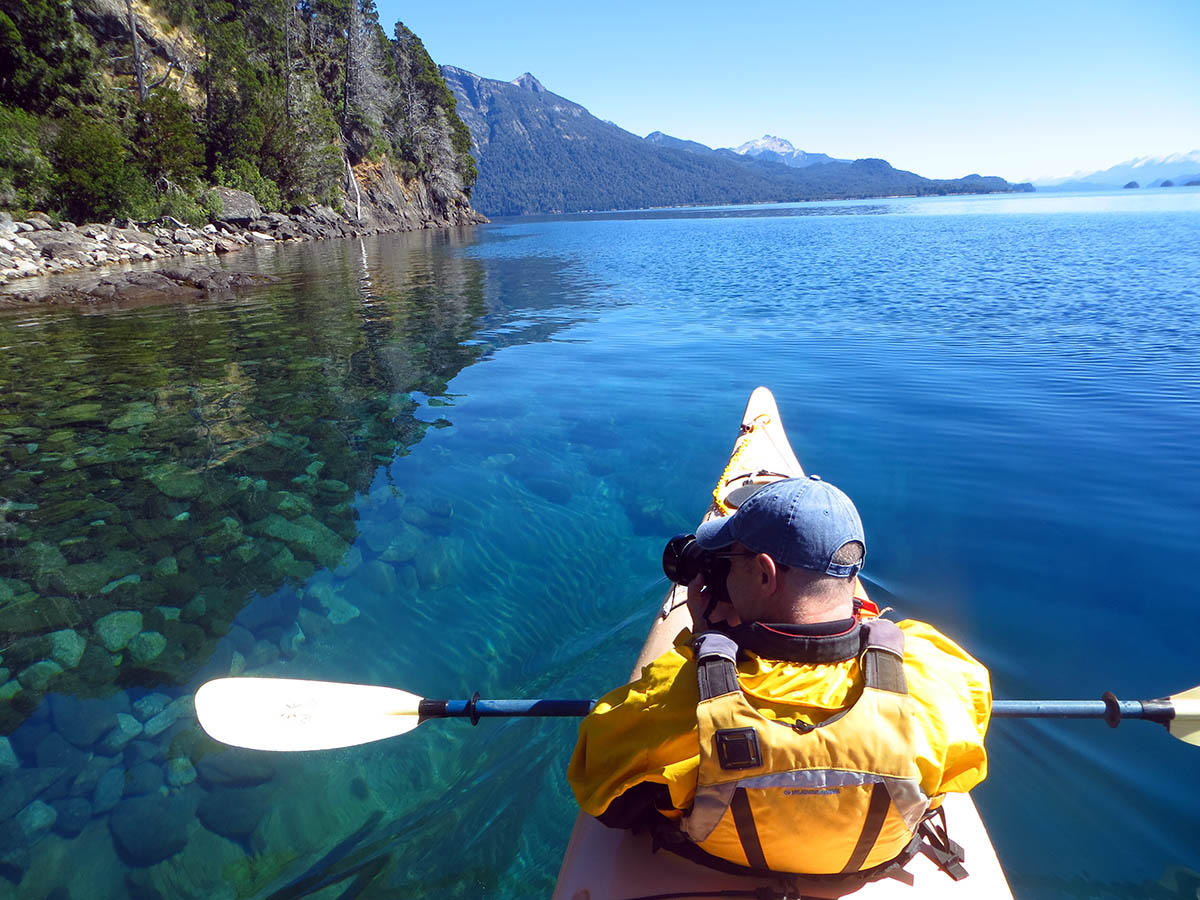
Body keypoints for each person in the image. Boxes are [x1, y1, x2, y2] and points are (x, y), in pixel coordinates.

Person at [567, 475, 991, 889]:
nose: (723, 579)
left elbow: (598, 785)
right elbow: (955, 769)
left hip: (721, 862)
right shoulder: (935, 669)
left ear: (766, 575)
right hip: (872, 863)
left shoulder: (684, 697)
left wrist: (701, 646)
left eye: (729, 564)